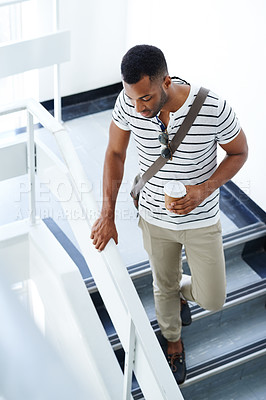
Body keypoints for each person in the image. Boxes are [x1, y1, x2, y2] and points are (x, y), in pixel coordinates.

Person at [90, 44, 248, 384]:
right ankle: (173, 343)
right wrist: (108, 214)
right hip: (154, 219)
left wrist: (202, 191)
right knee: (162, 288)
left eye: (145, 98)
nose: (138, 107)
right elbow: (115, 153)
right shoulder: (129, 105)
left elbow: (239, 152)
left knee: (213, 298)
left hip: (201, 220)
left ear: (166, 81)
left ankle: (178, 290)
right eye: (132, 98)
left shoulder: (212, 107)